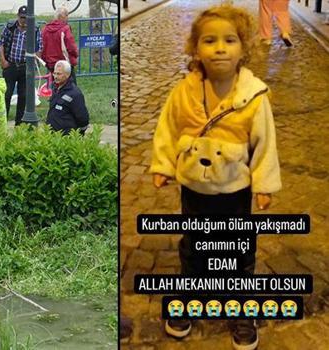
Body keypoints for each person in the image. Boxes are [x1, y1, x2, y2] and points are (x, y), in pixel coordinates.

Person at [149, 5, 281, 350]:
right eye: (210, 40)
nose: (220, 48)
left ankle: (241, 309)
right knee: (193, 245)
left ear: (243, 48)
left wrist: (264, 184)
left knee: (238, 248)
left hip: (236, 190)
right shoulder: (184, 92)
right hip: (195, 187)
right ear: (196, 48)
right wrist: (163, 164)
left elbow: (265, 143)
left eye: (229, 40)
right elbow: (167, 128)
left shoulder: (254, 97)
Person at [0, 5, 43, 126]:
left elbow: (39, 47)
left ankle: (19, 124)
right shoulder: (10, 27)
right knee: (6, 95)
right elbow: (1, 43)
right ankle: (3, 121)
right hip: (11, 65)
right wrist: (3, 61)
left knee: (23, 96)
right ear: (18, 16)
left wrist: (34, 64)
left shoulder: (35, 29)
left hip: (25, 67)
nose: (23, 20)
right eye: (22, 17)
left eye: (26, 18)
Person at [46, 60, 89, 135]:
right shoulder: (54, 87)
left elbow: (83, 119)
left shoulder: (75, 94)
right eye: (54, 73)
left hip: (67, 138)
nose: (55, 76)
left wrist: (78, 135)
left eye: (59, 74)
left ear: (67, 75)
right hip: (52, 135)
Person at [41, 6, 79, 83]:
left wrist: (46, 61)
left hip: (51, 64)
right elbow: (71, 47)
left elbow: (42, 47)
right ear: (62, 16)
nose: (68, 18)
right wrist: (75, 55)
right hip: (65, 64)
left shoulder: (45, 29)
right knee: (70, 87)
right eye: (67, 15)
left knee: (55, 86)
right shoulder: (65, 29)